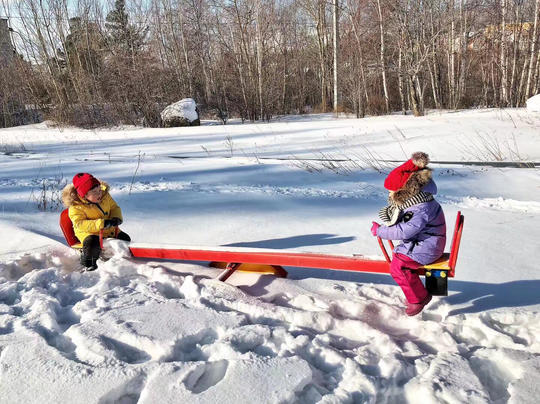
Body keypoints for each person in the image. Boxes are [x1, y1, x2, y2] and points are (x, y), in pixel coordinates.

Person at [371, 152, 446, 316]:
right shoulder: (419, 201)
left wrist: (380, 231)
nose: (389, 196)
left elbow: (406, 230)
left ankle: (419, 298)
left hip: (427, 247)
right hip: (427, 243)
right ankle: (418, 294)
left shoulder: (419, 208)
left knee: (398, 266)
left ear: (405, 192)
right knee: (399, 259)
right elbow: (408, 224)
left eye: (392, 192)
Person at [62, 173, 131, 271]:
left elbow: (114, 207)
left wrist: (116, 217)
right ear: (84, 195)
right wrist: (101, 223)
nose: (99, 193)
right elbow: (79, 224)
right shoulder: (76, 207)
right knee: (92, 244)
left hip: (109, 229)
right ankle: (88, 263)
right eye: (95, 192)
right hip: (88, 232)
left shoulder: (105, 196)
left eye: (99, 190)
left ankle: (122, 260)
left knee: (125, 238)